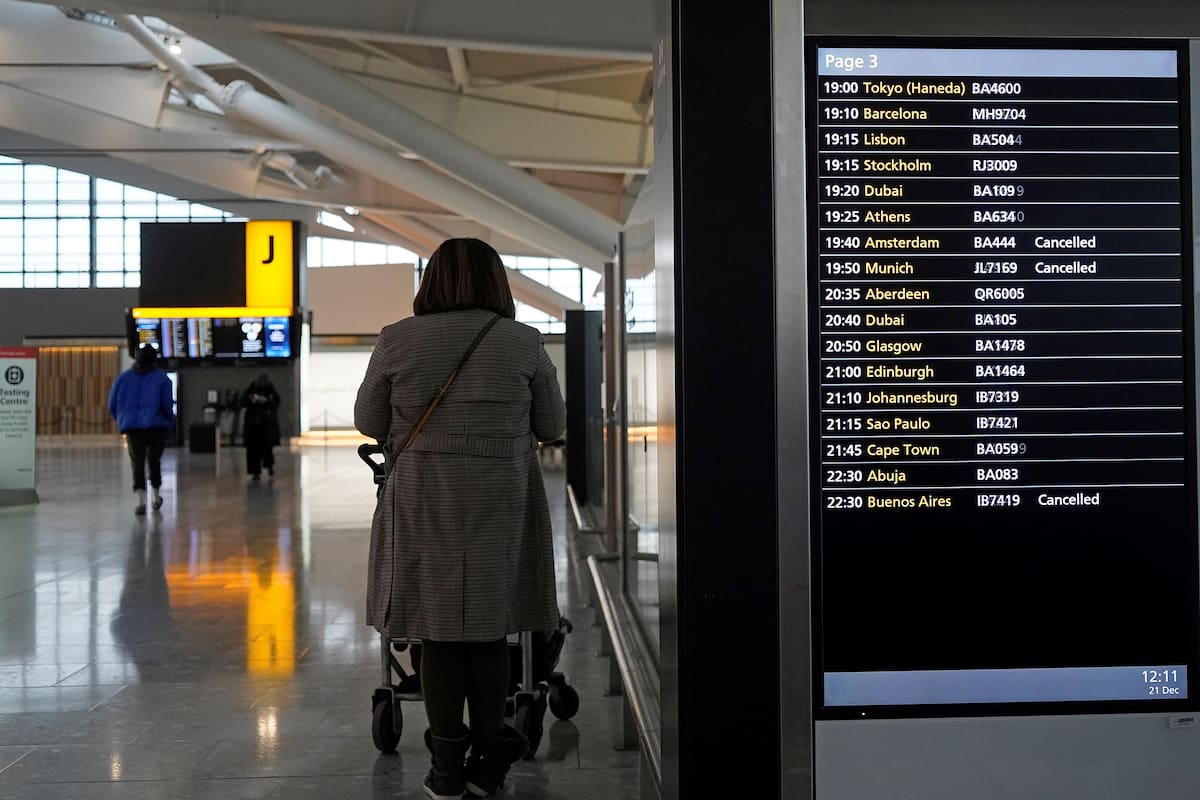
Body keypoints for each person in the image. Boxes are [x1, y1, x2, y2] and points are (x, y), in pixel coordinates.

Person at [355, 238, 566, 800]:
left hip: (423, 500)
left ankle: (447, 768)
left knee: (440, 632)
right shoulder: (524, 342)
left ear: (432, 281)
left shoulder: (396, 339)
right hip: (501, 499)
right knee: (491, 631)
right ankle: (488, 758)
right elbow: (552, 425)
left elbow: (368, 419)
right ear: (497, 282)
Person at [108, 344, 175, 515]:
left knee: (137, 462)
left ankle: (140, 501)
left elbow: (112, 404)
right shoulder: (162, 379)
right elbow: (167, 404)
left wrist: (122, 419)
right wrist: (170, 420)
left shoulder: (123, 379)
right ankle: (156, 497)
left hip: (132, 427)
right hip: (157, 425)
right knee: (154, 460)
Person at [242, 373, 281, 481]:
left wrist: (266, 402)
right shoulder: (252, 389)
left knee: (265, 450)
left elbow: (276, 402)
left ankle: (265, 467)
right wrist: (251, 400)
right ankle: (257, 471)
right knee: (255, 450)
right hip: (255, 425)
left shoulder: (270, 390)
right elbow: (243, 401)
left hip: (265, 425)